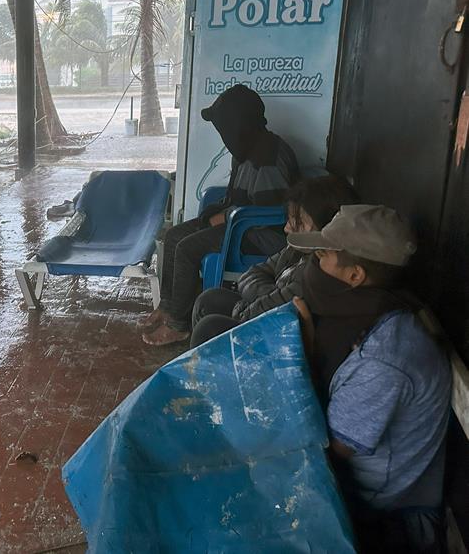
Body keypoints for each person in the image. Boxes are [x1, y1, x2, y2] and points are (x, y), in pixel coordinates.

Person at [289, 205, 451, 554]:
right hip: (358, 485)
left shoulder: (384, 358)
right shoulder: (366, 313)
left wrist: (303, 356)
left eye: (322, 255)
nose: (314, 266)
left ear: (354, 276)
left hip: (383, 513)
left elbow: (333, 447)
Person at [142, 84, 299, 346]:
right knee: (174, 235)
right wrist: (219, 215)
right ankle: (169, 307)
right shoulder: (246, 148)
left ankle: (179, 325)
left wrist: (225, 218)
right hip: (239, 224)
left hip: (260, 236)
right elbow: (236, 197)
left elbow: (270, 214)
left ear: (239, 124)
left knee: (187, 248)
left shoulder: (269, 157)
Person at [187, 175, 358, 348]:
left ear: (328, 224)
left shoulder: (322, 267)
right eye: (291, 219)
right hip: (262, 312)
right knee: (209, 300)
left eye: (299, 223)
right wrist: (271, 294)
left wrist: (250, 307)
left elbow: (277, 312)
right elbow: (251, 274)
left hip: (283, 338)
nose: (287, 228)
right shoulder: (295, 250)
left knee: (208, 328)